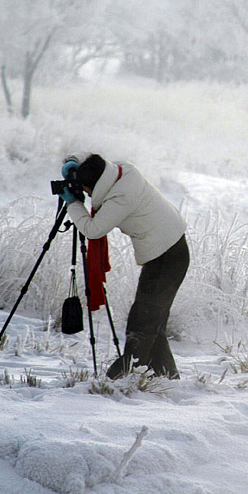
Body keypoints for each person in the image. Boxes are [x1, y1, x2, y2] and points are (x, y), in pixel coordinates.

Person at [59, 152, 189, 380]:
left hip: (166, 258)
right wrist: (73, 161)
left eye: (86, 190)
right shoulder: (122, 170)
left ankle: (119, 379)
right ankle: (168, 378)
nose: (87, 195)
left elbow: (93, 229)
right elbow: (93, 158)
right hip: (171, 252)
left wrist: (72, 203)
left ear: (94, 185)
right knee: (153, 323)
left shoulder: (121, 197)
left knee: (141, 324)